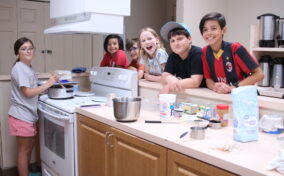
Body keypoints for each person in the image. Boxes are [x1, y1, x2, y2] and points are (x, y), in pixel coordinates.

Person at [8, 37, 58, 176]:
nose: (28, 51)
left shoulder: (28, 67)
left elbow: (32, 88)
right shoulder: (19, 68)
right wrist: (48, 83)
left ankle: (27, 173)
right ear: (17, 53)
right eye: (23, 49)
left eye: (30, 48)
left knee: (29, 148)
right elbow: (28, 93)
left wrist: (45, 88)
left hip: (27, 115)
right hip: (21, 115)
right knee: (24, 151)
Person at [199, 12, 264, 94]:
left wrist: (233, 87)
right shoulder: (204, 52)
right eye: (205, 30)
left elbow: (259, 74)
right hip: (223, 96)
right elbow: (208, 80)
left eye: (213, 28)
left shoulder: (236, 48)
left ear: (224, 30)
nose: (209, 33)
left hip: (244, 96)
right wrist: (215, 87)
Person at [159, 21, 205, 94]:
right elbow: (163, 77)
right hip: (185, 93)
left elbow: (195, 82)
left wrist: (169, 85)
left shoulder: (197, 53)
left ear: (189, 39)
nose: (176, 43)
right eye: (172, 41)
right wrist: (169, 78)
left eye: (180, 39)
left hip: (203, 94)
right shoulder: (173, 56)